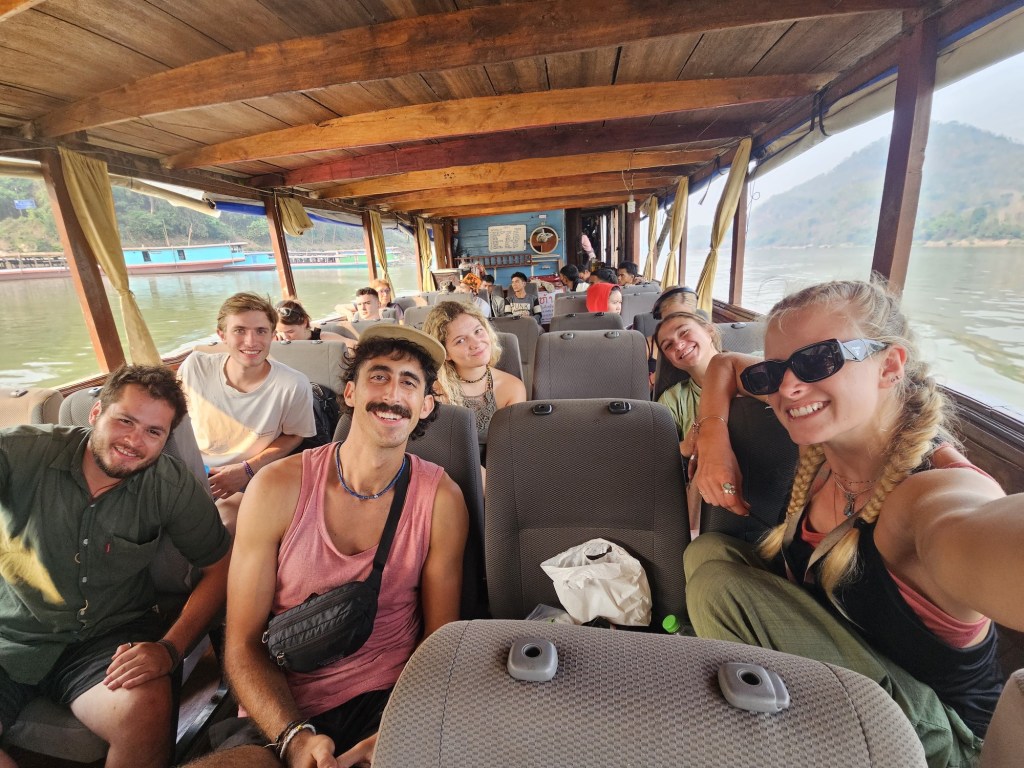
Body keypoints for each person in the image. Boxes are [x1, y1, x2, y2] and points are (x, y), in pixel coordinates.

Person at [686, 280, 1023, 767]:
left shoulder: (928, 498)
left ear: (890, 365)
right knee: (707, 552)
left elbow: (982, 530)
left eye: (819, 360)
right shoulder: (824, 453)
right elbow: (725, 364)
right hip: (857, 693)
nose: (787, 388)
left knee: (718, 585)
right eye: (773, 372)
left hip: (938, 743)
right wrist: (713, 434)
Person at [187, 325, 468, 768]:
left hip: (388, 700)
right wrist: (294, 738)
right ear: (351, 392)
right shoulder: (276, 488)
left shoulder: (441, 500)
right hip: (281, 706)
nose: (392, 394)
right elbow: (241, 643)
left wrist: (401, 727)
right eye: (379, 376)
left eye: (409, 382)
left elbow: (439, 640)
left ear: (426, 405)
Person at [0, 365, 231, 768]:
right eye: (125, 420)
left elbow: (220, 566)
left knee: (144, 706)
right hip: (11, 633)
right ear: (95, 414)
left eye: (153, 432)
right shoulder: (20, 453)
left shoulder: (170, 485)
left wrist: (170, 649)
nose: (134, 441)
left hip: (108, 636)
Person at [178, 292, 315, 532]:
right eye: (239, 330)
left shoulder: (293, 385)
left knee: (222, 527)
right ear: (222, 335)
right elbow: (175, 421)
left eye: (261, 331)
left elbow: (295, 435)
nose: (251, 342)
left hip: (252, 476)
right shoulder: (195, 367)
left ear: (272, 335)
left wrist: (247, 469)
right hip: (192, 471)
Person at [422, 301, 527, 443]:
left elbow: (511, 447)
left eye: (478, 331)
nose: (476, 343)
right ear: (445, 353)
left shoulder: (512, 387)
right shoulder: (433, 392)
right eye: (460, 340)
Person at [653, 311, 722, 451]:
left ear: (709, 330)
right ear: (670, 361)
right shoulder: (672, 400)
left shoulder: (755, 365)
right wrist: (685, 447)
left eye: (684, 332)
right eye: (668, 345)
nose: (678, 346)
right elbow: (659, 454)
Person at [274, 299, 353, 345]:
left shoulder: (324, 338)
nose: (285, 337)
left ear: (304, 322)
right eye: (279, 332)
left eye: (290, 331)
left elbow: (356, 347)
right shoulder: (276, 342)